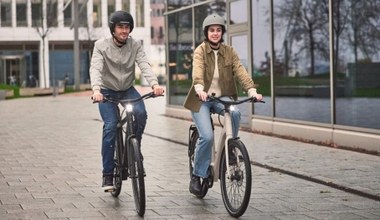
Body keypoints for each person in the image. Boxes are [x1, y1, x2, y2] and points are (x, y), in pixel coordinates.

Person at [183, 14, 263, 196]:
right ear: (206, 32)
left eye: (218, 30)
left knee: (234, 113)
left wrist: (251, 91)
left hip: (222, 98)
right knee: (207, 136)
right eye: (212, 30)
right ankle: (197, 175)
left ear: (222, 33)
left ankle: (231, 148)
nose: (215, 33)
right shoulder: (200, 51)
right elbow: (198, 71)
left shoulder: (229, 52)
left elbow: (241, 71)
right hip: (201, 99)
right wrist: (199, 87)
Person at [90, 10, 164, 192]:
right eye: (120, 27)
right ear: (113, 29)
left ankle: (134, 149)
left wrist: (154, 84)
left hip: (127, 90)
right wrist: (96, 90)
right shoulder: (101, 45)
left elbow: (144, 64)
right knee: (110, 125)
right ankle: (108, 173)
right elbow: (96, 68)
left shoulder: (135, 45)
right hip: (106, 92)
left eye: (127, 27)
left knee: (140, 113)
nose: (124, 30)